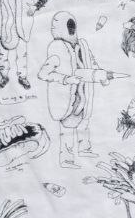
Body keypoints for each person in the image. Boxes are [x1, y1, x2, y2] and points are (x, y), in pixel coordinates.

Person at [37, 12, 110, 166]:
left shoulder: (82, 45)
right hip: (67, 100)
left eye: (72, 25)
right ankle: (66, 158)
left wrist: (101, 75)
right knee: (68, 128)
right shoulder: (57, 49)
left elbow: (92, 62)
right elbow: (43, 74)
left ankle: (84, 148)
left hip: (84, 95)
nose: (71, 29)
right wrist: (65, 79)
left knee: (84, 121)